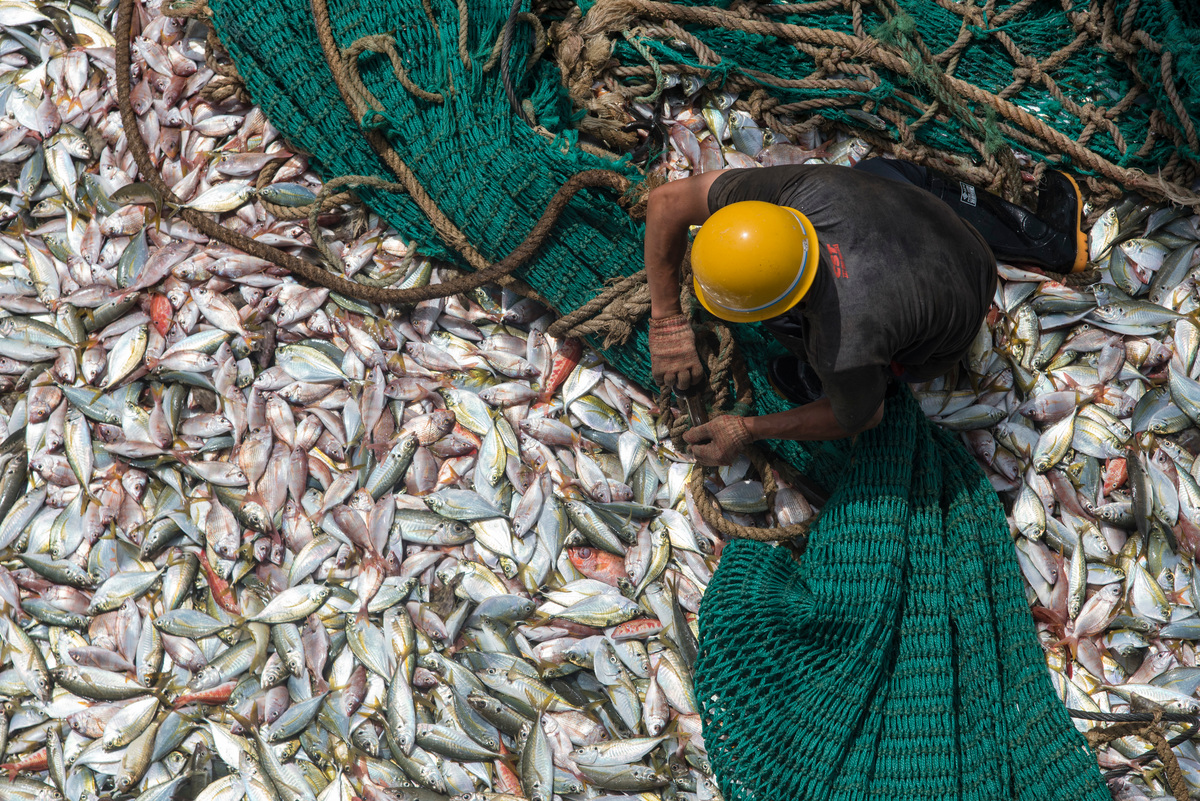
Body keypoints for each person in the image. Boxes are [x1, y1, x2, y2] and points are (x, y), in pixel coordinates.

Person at [645, 157, 1087, 466]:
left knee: (817, 356)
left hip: (957, 319)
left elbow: (859, 417)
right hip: (948, 236)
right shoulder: (799, 192)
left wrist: (749, 430)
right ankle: (1043, 238)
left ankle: (831, 376)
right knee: (879, 172)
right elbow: (666, 203)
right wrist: (666, 321)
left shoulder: (845, 341)